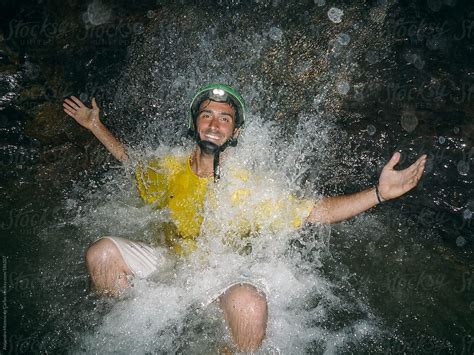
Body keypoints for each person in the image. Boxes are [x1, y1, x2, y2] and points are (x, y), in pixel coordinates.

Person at [63, 84, 427, 352]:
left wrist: (378, 194)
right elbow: (133, 162)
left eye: (225, 118)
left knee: (250, 304)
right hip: (173, 263)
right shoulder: (171, 167)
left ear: (235, 132)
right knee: (102, 253)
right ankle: (121, 330)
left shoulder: (250, 185)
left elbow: (317, 211)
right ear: (195, 124)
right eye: (207, 114)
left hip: (225, 270)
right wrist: (95, 125)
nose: (215, 122)